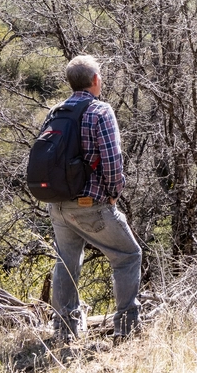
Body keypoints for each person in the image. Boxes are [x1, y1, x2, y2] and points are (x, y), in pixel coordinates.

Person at [46, 54, 143, 340]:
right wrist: (113, 194)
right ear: (96, 80)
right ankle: (126, 329)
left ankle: (64, 331)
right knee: (128, 255)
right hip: (91, 205)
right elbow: (113, 162)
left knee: (66, 262)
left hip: (58, 205)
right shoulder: (101, 111)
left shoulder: (55, 112)